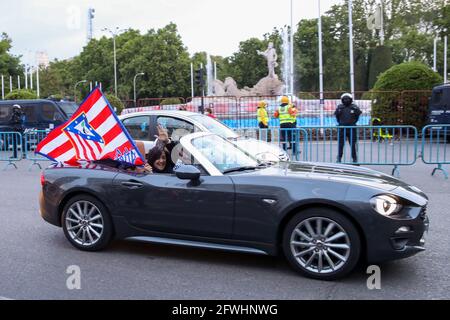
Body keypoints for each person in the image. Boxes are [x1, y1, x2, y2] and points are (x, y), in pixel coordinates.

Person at [335, 93, 362, 164]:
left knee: (353, 144)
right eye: (344, 99)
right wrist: (341, 123)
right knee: (341, 144)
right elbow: (337, 116)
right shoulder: (340, 107)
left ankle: (355, 159)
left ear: (351, 100)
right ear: (342, 100)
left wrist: (352, 123)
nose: (346, 100)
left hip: (352, 129)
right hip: (342, 128)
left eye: (347, 99)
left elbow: (357, 116)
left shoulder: (354, 107)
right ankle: (339, 158)